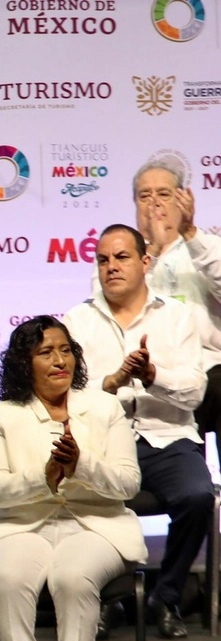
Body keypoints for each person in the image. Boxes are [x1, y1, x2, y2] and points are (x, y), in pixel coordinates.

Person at [0, 316, 145, 641]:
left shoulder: (105, 408)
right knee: (9, 578)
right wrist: (44, 477)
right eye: (45, 352)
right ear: (23, 363)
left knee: (72, 576)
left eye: (65, 350)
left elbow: (129, 483)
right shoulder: (5, 415)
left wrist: (80, 465)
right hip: (18, 526)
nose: (59, 360)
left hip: (96, 525)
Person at [65, 224, 211, 639]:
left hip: (167, 439)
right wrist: (109, 385)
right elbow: (66, 393)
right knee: (76, 496)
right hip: (104, 444)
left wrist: (152, 375)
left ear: (145, 262)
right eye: (103, 260)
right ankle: (107, 599)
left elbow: (195, 393)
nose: (111, 267)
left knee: (198, 496)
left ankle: (164, 596)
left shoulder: (178, 317)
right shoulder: (78, 320)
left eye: (122, 257)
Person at [114, 161, 221, 463]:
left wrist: (189, 233)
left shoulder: (207, 247)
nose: (155, 203)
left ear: (182, 200)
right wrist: (154, 253)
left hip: (210, 369)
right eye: (145, 195)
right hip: (149, 375)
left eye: (164, 193)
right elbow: (117, 307)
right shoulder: (119, 258)